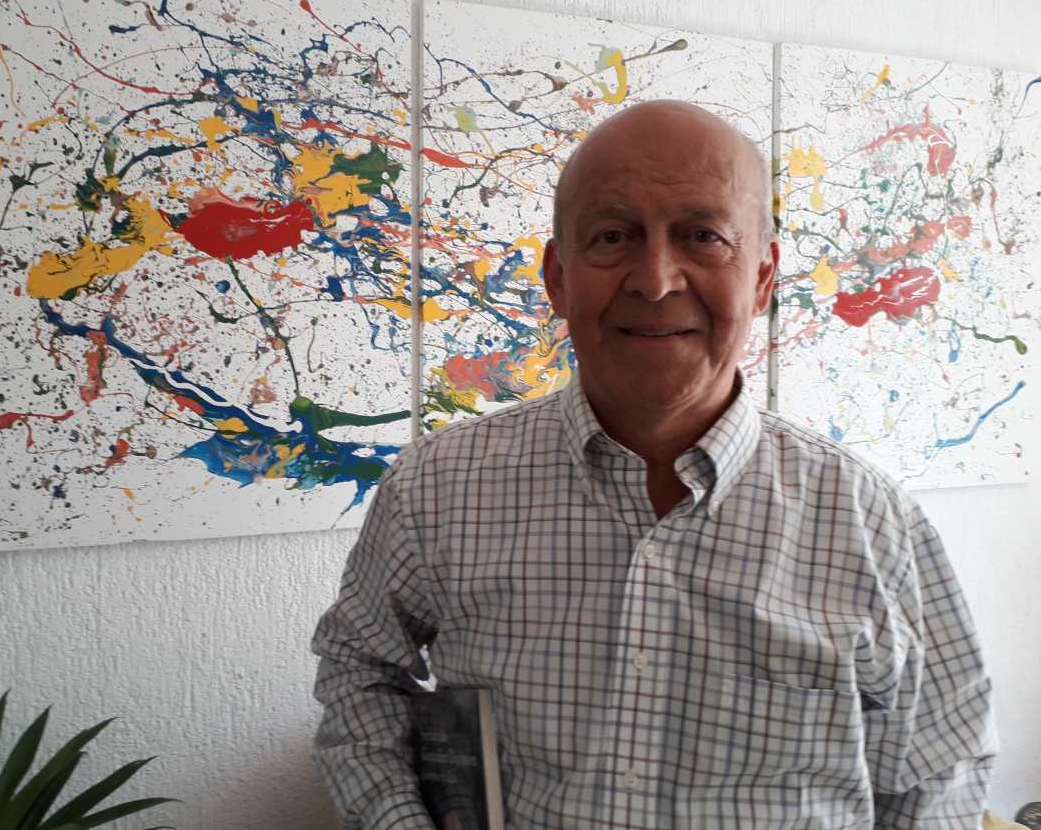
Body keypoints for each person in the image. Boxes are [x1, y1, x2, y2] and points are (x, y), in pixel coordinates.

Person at [311, 100, 997, 828]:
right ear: (558, 277)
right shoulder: (436, 489)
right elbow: (360, 671)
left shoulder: (873, 522)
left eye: (703, 237)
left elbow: (939, 779)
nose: (657, 280)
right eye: (613, 237)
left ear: (762, 277)